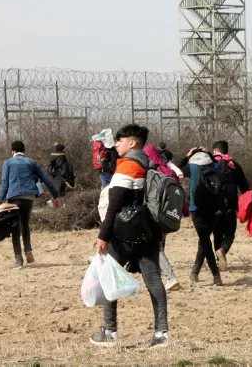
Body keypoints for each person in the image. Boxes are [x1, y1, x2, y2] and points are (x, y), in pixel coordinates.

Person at [89, 124, 169, 348]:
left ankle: (110, 332)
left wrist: (103, 236)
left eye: (120, 141)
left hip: (125, 233)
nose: (117, 144)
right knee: (154, 280)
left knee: (108, 277)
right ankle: (162, 333)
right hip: (149, 232)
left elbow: (115, 204)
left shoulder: (128, 166)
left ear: (132, 143)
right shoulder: (150, 163)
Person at [0, 141, 59, 269]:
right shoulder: (31, 162)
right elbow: (46, 179)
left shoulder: (7, 163)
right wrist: (56, 196)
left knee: (15, 226)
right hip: (29, 197)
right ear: (24, 151)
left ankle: (19, 259)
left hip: (14, 197)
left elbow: (4, 183)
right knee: (25, 223)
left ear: (12, 151)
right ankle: (28, 250)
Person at [142, 143, 181, 292]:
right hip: (168, 216)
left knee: (156, 249)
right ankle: (158, 277)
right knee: (158, 247)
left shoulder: (151, 171)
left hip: (154, 215)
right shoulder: (168, 169)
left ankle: (171, 278)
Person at [210, 140, 250, 271]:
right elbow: (244, 187)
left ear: (215, 150)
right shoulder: (234, 165)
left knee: (217, 233)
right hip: (230, 204)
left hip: (214, 205)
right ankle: (223, 250)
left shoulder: (210, 164)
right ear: (226, 151)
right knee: (230, 233)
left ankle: (219, 261)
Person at [187, 148, 224, 286]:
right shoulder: (214, 166)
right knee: (204, 241)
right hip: (214, 209)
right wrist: (208, 152)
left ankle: (216, 275)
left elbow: (178, 167)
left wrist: (189, 154)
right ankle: (195, 272)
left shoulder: (191, 167)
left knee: (205, 242)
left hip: (196, 209)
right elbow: (218, 163)